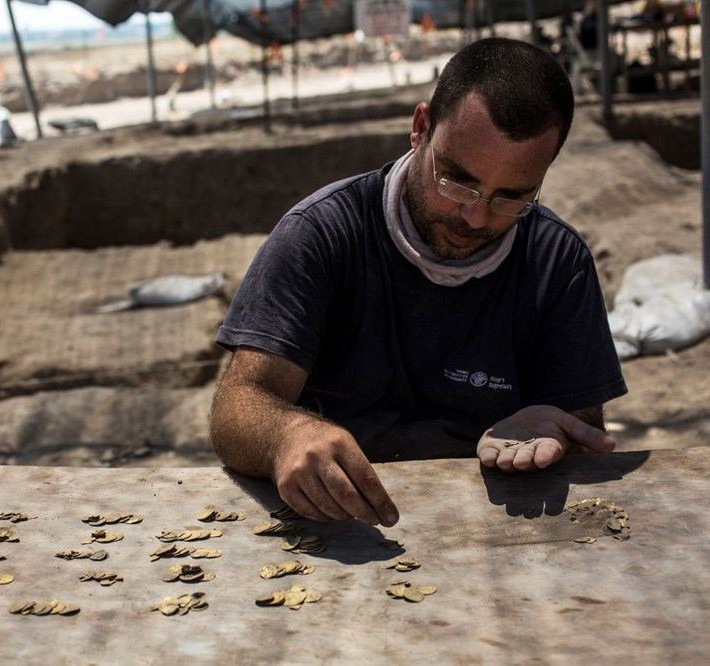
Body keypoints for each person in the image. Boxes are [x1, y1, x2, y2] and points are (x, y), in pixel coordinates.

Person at [209, 38, 627, 528]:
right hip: (340, 521)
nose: (474, 216)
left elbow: (584, 431)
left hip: (493, 527)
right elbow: (237, 407)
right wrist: (287, 435)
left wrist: (558, 441)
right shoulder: (321, 235)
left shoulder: (557, 261)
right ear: (420, 129)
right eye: (456, 180)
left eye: (511, 197)